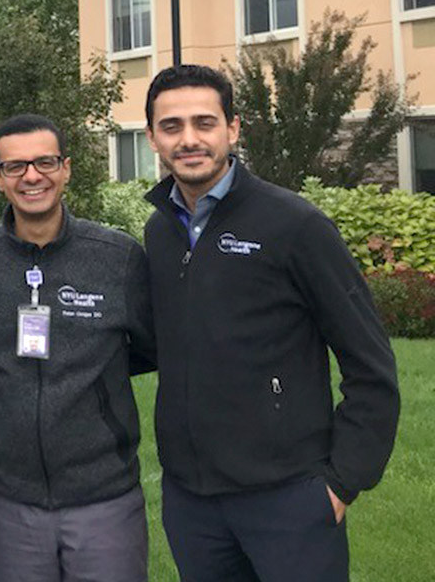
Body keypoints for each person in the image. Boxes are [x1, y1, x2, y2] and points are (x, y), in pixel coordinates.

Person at [142, 64, 400, 582]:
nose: (189, 139)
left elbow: (370, 364)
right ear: (152, 137)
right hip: (192, 503)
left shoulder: (295, 226)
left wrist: (341, 484)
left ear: (233, 128)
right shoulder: (161, 230)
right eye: (172, 126)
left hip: (289, 499)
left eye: (204, 122)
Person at [0, 114, 156, 582]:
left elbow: (151, 346)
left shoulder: (116, 256)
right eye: (15, 166)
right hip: (7, 498)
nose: (32, 176)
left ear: (66, 168)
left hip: (103, 495)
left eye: (44, 162)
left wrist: (97, 382)